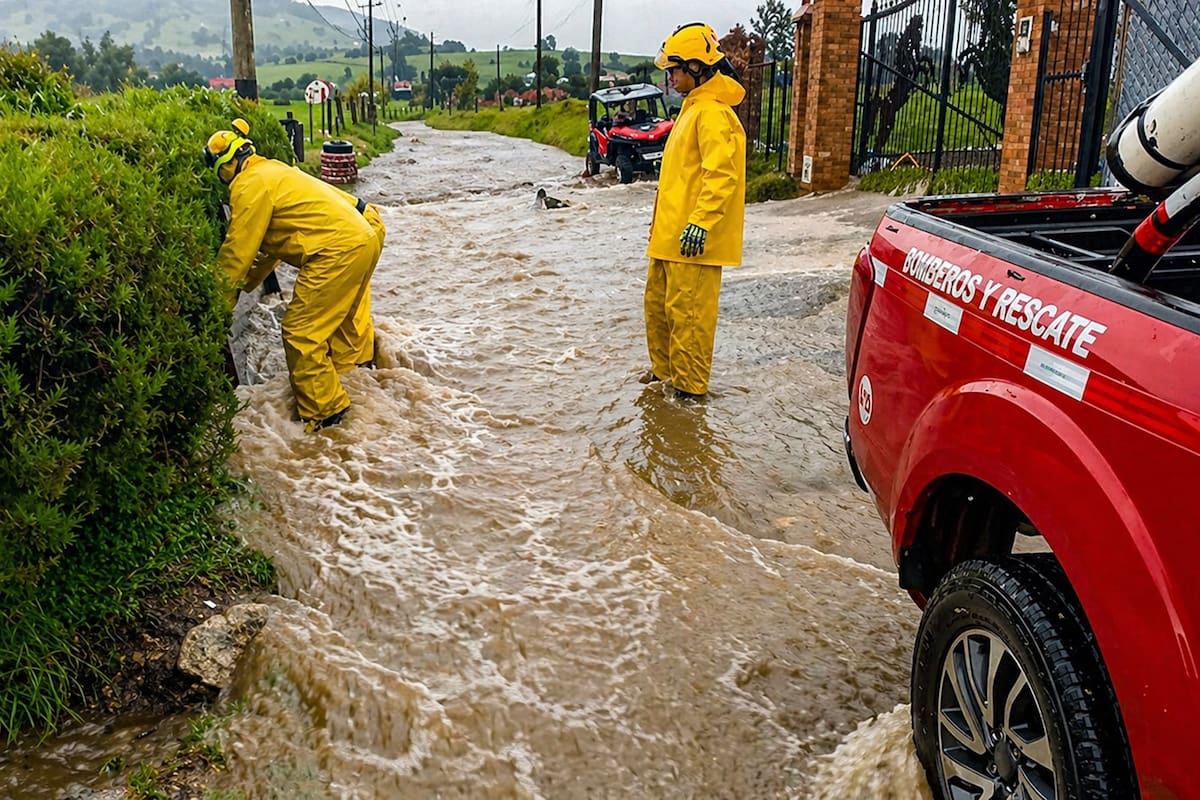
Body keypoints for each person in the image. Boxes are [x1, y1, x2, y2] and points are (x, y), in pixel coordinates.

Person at [204, 118, 385, 432]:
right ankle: (360, 376)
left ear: (226, 165)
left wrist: (218, 301)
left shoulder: (247, 186)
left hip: (337, 250)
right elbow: (267, 249)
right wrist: (248, 284)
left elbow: (238, 251)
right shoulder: (271, 169)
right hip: (365, 234)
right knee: (344, 318)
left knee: (301, 331)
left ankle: (328, 416)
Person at [643, 22, 746, 401]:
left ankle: (687, 396)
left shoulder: (714, 114)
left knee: (688, 320)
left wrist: (701, 223)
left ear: (697, 67)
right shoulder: (691, 110)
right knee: (658, 313)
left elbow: (722, 176)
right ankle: (663, 380)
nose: (668, 77)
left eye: (673, 69)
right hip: (669, 240)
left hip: (692, 242)